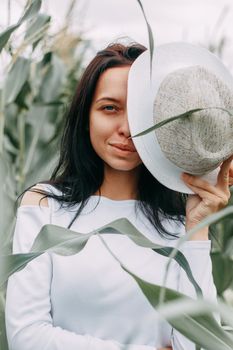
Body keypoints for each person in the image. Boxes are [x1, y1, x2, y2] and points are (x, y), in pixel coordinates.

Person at [5, 42, 233, 350]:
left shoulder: (179, 224)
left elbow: (199, 343)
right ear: (86, 116)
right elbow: (26, 337)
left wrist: (197, 226)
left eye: (140, 113)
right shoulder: (44, 205)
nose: (127, 128)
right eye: (110, 108)